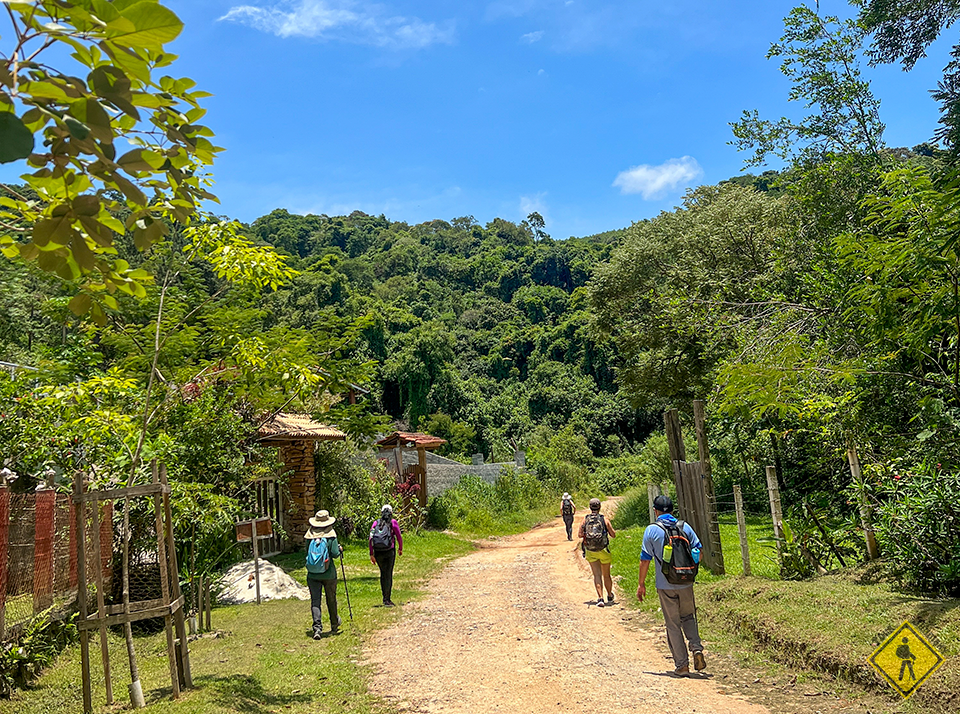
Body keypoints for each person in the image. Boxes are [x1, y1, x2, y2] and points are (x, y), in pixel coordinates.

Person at [636, 495, 706, 676]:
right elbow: (699, 550)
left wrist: (641, 584)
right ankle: (696, 648)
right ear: (672, 511)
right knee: (689, 616)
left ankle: (682, 665)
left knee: (673, 624)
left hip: (665, 584)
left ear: (655, 511)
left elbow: (645, 560)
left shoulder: (652, 530)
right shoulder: (685, 527)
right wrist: (690, 572)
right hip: (686, 582)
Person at [304, 509, 342, 639]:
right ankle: (334, 624)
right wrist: (340, 549)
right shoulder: (331, 535)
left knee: (315, 600)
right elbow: (335, 554)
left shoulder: (309, 535)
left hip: (312, 574)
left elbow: (306, 553)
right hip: (329, 574)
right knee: (331, 599)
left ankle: (317, 629)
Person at [578, 498, 616, 606]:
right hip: (603, 550)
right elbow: (613, 535)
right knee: (606, 574)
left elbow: (580, 534)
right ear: (600, 507)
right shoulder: (604, 519)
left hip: (590, 550)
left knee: (597, 575)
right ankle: (609, 595)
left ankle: (600, 598)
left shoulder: (585, 520)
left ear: (590, 507)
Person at [369, 504, 403, 607]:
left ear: (381, 513)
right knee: (388, 574)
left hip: (378, 552)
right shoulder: (393, 523)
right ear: (391, 513)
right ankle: (387, 599)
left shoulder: (375, 523)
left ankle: (385, 598)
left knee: (383, 574)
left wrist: (371, 553)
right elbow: (399, 536)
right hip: (389, 551)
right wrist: (400, 548)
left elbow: (370, 539)